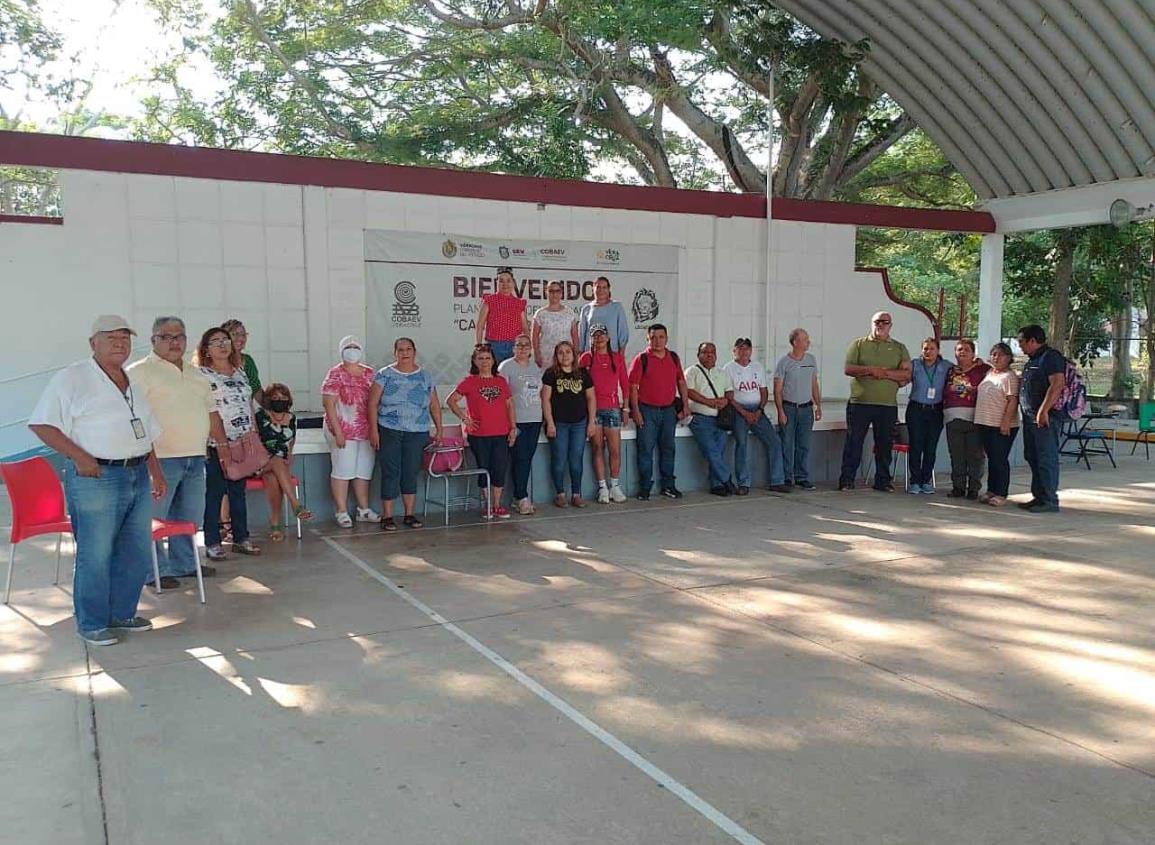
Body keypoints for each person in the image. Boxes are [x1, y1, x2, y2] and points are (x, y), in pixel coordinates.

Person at [29, 315, 166, 646]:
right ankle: (91, 623)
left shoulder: (130, 380)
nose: (120, 343)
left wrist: (155, 471)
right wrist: (81, 457)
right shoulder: (73, 377)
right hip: (97, 477)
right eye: (111, 337)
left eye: (125, 337)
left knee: (134, 550)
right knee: (96, 552)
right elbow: (42, 424)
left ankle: (121, 613)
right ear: (93, 343)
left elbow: (145, 433)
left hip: (136, 473)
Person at [127, 316, 218, 588]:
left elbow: (211, 413)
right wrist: (147, 457)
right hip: (159, 460)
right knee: (152, 519)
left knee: (189, 517)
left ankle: (185, 564)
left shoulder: (196, 373)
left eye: (179, 336)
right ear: (153, 340)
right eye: (166, 337)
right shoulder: (139, 372)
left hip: (194, 456)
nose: (173, 342)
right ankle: (154, 571)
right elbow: (134, 418)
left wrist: (222, 446)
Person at [196, 326, 262, 560]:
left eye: (226, 340)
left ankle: (241, 537)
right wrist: (220, 443)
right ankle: (213, 541)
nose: (223, 344)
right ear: (206, 349)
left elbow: (248, 404)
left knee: (238, 492)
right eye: (216, 341)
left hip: (242, 440)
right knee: (215, 492)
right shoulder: (201, 375)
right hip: (216, 443)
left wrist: (254, 434)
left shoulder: (240, 371)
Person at [368, 337, 445, 530]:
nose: (404, 353)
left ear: (414, 351)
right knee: (390, 472)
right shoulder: (384, 374)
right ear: (395, 353)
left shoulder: (425, 376)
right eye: (400, 350)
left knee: (411, 472)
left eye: (408, 349)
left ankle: (409, 514)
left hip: (417, 431)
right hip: (390, 429)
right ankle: (387, 516)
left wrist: (439, 428)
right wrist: (373, 430)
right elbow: (372, 403)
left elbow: (434, 404)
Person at [839, 311, 912, 491]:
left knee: (884, 444)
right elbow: (849, 369)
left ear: (890, 325)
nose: (881, 325)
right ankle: (847, 480)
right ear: (871, 323)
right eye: (877, 322)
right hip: (860, 403)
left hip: (887, 405)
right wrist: (871, 370)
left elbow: (906, 374)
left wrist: (885, 373)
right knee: (854, 442)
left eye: (885, 322)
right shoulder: (858, 344)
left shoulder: (899, 348)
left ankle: (883, 481)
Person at [447, 343, 518, 519]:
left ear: (493, 360)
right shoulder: (469, 381)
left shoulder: (500, 381)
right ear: (474, 361)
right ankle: (487, 505)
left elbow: (509, 405)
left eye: (488, 358)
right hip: (479, 434)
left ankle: (497, 505)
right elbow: (451, 400)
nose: (485, 362)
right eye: (481, 358)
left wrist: (513, 427)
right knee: (483, 468)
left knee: (499, 468)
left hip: (501, 432)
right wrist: (465, 418)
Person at [320, 335, 379, 528]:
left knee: (363, 469)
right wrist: (338, 431)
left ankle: (363, 509)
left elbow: (376, 401)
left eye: (355, 346)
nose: (352, 350)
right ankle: (342, 511)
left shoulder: (370, 373)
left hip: (365, 429)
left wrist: (374, 429)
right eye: (348, 347)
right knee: (343, 469)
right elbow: (328, 404)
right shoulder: (335, 373)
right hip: (342, 428)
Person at [628, 324, 690, 500]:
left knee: (668, 449)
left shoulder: (674, 358)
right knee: (645, 450)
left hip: (668, 411)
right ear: (648, 339)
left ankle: (668, 486)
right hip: (647, 410)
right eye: (653, 337)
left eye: (661, 337)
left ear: (666, 338)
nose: (657, 341)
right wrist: (636, 411)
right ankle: (645, 488)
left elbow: (681, 383)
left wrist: (685, 405)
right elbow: (633, 387)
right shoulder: (641, 359)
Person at [726, 337, 791, 494]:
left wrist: (759, 410)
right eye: (740, 348)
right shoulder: (729, 368)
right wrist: (744, 413)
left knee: (774, 442)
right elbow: (728, 395)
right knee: (742, 444)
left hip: (757, 409)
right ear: (734, 350)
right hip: (739, 410)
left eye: (747, 348)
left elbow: (763, 390)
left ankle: (777, 481)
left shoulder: (757, 367)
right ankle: (743, 483)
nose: (744, 351)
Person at [1016, 324, 1067, 513]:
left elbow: (1057, 384)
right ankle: (1038, 496)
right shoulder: (1032, 360)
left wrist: (1043, 410)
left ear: (1032, 340)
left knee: (1046, 458)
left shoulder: (1050, 357)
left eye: (1021, 341)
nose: (1019, 345)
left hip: (1045, 418)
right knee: (1032, 456)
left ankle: (1049, 500)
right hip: (1030, 417)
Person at [254, 383, 312, 540]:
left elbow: (291, 441)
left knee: (273, 478)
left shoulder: (292, 418)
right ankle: (295, 504)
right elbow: (254, 440)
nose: (279, 400)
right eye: (275, 398)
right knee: (276, 460)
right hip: (259, 462)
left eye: (283, 397)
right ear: (268, 399)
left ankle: (275, 527)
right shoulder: (260, 416)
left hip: (277, 466)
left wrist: (289, 454)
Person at [542, 341, 596, 507]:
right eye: (560, 352)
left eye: (568, 352)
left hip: (579, 423)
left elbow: (591, 398)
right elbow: (545, 399)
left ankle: (576, 494)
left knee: (576, 460)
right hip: (559, 423)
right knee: (559, 460)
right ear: (556, 356)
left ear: (574, 355)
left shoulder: (582, 373)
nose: (565, 356)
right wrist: (550, 423)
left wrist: (591, 422)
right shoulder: (551, 374)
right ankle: (560, 493)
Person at [579, 325, 629, 504]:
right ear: (591, 339)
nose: (599, 338)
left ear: (608, 338)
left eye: (602, 335)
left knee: (615, 450)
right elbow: (580, 385)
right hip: (593, 410)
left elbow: (625, 384)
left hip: (613, 408)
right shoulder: (586, 358)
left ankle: (615, 485)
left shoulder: (617, 358)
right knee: (597, 448)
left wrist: (626, 409)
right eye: (595, 335)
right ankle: (602, 487)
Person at [498, 334, 543, 515]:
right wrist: (511, 423)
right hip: (517, 420)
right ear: (513, 348)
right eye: (519, 345)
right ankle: (521, 497)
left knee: (526, 458)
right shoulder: (506, 367)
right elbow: (503, 398)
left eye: (526, 345)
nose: (523, 348)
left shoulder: (535, 367)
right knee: (520, 458)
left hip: (535, 418)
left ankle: (520, 496)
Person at [772, 329, 822, 490]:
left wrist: (818, 405)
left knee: (804, 444)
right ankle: (787, 477)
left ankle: (802, 476)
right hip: (789, 408)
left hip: (806, 408)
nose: (808, 342)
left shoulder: (811, 360)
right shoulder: (784, 362)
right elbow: (777, 389)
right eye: (805, 339)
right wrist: (780, 411)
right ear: (795, 342)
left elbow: (814, 384)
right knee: (787, 443)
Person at [684, 342, 737, 496]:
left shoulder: (722, 373)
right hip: (700, 419)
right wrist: (708, 402)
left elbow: (729, 392)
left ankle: (717, 485)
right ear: (698, 355)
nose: (709, 355)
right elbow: (689, 391)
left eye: (712, 352)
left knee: (718, 452)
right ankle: (727, 479)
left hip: (720, 419)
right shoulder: (692, 371)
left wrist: (725, 401)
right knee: (711, 451)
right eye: (705, 352)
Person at [942, 339, 991, 499]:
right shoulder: (950, 370)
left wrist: (972, 389)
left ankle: (974, 488)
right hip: (952, 419)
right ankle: (958, 487)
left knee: (975, 455)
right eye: (959, 350)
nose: (962, 352)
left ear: (973, 353)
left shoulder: (983, 369)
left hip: (975, 419)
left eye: (966, 350)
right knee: (956, 455)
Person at [974, 343, 1020, 507]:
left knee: (999, 459)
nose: (996, 357)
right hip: (985, 422)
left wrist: (1006, 422)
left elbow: (1012, 400)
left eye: (1000, 354)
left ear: (1008, 358)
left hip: (1001, 424)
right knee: (992, 459)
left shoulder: (1010, 377)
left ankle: (1001, 492)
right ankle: (991, 490)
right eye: (993, 354)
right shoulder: (989, 372)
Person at [905, 337, 951, 495]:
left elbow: (964, 370)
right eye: (925, 348)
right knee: (916, 445)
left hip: (936, 410)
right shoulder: (915, 365)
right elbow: (902, 375)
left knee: (931, 447)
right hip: (916, 408)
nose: (928, 352)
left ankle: (926, 480)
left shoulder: (946, 366)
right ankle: (915, 481)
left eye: (931, 348)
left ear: (938, 350)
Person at [475, 266, 529, 365]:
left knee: (513, 376)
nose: (505, 284)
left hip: (515, 347)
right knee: (495, 376)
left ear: (513, 283)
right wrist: (479, 346)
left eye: (508, 281)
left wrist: (528, 347)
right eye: (501, 281)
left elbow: (525, 328)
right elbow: (480, 325)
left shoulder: (519, 303)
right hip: (494, 346)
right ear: (497, 283)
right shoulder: (489, 300)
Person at [578, 276, 630, 355]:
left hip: (611, 355)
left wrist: (621, 357)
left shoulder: (617, 307)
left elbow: (623, 334)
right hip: (591, 356)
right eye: (598, 287)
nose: (601, 290)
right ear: (593, 289)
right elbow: (581, 336)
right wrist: (581, 355)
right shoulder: (586, 309)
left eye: (604, 287)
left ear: (609, 289)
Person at [532, 280, 578, 368]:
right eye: (551, 291)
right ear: (546, 293)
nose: (554, 294)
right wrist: (537, 354)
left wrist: (575, 354)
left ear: (561, 293)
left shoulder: (569, 312)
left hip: (566, 356)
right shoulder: (540, 313)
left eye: (557, 291)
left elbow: (575, 335)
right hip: (547, 355)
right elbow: (534, 336)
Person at [221, 318, 262, 404]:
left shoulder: (247, 360)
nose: (240, 338)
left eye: (243, 335)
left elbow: (256, 389)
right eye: (235, 334)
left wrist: (273, 411)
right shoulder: (215, 360)